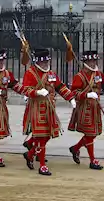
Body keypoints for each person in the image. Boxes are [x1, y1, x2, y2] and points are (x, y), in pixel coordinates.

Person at [20, 46, 76, 176]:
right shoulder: (31, 73)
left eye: (47, 62)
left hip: (50, 109)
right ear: (37, 62)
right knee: (41, 137)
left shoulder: (51, 73)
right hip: (36, 108)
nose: (46, 64)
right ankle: (42, 166)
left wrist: (70, 98)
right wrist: (37, 92)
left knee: (47, 136)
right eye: (43, 62)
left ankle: (30, 154)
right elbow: (25, 90)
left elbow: (60, 86)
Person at [67, 49, 104, 170]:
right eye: (91, 61)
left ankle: (76, 148)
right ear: (86, 62)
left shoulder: (98, 74)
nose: (93, 63)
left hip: (95, 108)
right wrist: (86, 95)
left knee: (92, 134)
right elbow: (74, 93)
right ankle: (92, 160)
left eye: (94, 60)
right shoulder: (80, 76)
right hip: (84, 109)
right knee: (90, 133)